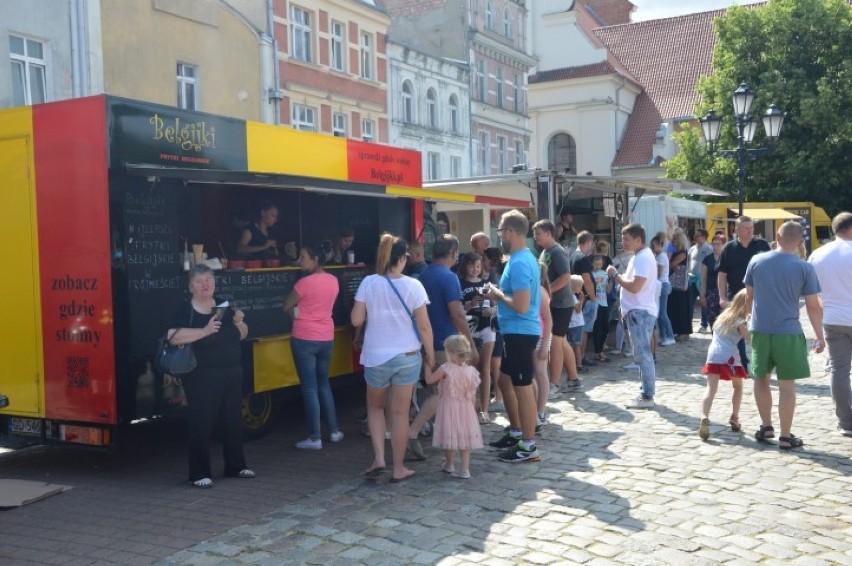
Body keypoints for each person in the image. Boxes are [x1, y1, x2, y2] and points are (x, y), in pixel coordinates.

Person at [351, 234, 435, 482]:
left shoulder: (368, 282)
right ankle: (398, 468)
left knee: (375, 408)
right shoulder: (414, 285)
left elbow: (356, 320)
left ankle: (379, 458)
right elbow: (425, 327)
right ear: (402, 259)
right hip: (407, 356)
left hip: (376, 356)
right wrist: (430, 355)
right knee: (400, 414)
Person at [167, 265, 253, 488]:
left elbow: (243, 334)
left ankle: (236, 465)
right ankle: (199, 473)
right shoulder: (185, 309)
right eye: (199, 281)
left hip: (232, 371)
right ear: (191, 287)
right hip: (201, 375)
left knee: (233, 420)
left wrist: (239, 323)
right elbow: (173, 338)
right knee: (202, 423)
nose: (205, 284)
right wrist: (204, 331)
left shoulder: (224, 306)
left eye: (209, 280)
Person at [745, 221, 824, 450]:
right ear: (801, 242)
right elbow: (812, 306)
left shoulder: (756, 261)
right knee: (787, 386)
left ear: (777, 237)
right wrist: (819, 336)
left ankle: (766, 425)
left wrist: (750, 319)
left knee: (761, 379)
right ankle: (786, 435)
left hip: (761, 329)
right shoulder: (804, 268)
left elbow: (748, 296)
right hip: (788, 333)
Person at [408, 235, 478, 460]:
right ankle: (414, 431)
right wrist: (470, 343)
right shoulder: (448, 277)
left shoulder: (423, 275)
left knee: (431, 390)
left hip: (422, 339)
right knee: (445, 393)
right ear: (453, 254)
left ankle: (437, 434)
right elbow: (456, 313)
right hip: (444, 343)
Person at [485, 209, 542, 462]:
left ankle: (528, 445)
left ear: (510, 232)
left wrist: (496, 294)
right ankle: (517, 431)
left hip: (519, 331)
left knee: (522, 387)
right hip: (514, 331)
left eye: (500, 231)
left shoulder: (519, 262)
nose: (499, 236)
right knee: (506, 382)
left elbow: (520, 305)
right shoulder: (521, 257)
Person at [284, 244, 343, 450]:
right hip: (327, 336)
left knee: (309, 387)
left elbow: (287, 306)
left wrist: (295, 317)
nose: (300, 260)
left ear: (315, 258)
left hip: (304, 337)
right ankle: (334, 431)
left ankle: (315, 437)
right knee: (324, 383)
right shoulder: (334, 281)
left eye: (303, 256)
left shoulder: (304, 283)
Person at [606, 223, 660, 409]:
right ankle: (645, 392)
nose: (623, 242)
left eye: (627, 239)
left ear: (639, 239)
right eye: (622, 238)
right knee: (641, 354)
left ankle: (647, 395)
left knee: (643, 354)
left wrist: (615, 275)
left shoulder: (643, 258)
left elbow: (635, 287)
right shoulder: (640, 257)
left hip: (640, 312)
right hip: (637, 312)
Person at [809, 212, 852, 436]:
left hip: (833, 318)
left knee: (839, 370)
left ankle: (846, 422)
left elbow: (811, 294)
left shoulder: (817, 254)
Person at [425, 335, 483, 479]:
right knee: (465, 439)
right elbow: (473, 394)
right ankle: (464, 469)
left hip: (449, 408)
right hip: (466, 409)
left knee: (449, 436)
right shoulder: (472, 371)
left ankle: (449, 464)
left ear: (450, 353)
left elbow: (429, 380)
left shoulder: (446, 369)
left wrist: (427, 366)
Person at [718, 215, 771, 371]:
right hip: (736, 298)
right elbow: (722, 275)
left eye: (752, 228)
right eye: (747, 228)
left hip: (760, 296)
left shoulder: (762, 246)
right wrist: (722, 297)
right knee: (737, 331)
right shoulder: (729, 248)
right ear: (737, 230)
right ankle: (742, 363)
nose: (750, 231)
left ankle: (761, 361)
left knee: (759, 330)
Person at [532, 219, 579, 396]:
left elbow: (566, 277)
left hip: (561, 303)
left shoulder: (557, 252)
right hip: (555, 302)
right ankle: (574, 378)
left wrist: (547, 292)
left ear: (549, 234)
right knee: (561, 341)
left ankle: (554, 383)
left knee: (556, 344)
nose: (535, 237)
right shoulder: (545, 251)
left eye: (538, 233)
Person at [698, 289, 750, 441]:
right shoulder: (741, 321)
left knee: (710, 388)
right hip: (730, 356)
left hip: (713, 354)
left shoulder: (722, 316)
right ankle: (734, 416)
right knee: (738, 386)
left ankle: (704, 416)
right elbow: (749, 338)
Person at [457, 252, 496, 424]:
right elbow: (458, 310)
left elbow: (496, 305)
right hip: (469, 328)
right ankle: (469, 407)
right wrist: (471, 304)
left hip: (487, 327)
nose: (475, 269)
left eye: (478, 266)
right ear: (465, 266)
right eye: (472, 265)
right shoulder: (459, 283)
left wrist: (492, 310)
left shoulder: (487, 284)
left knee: (485, 368)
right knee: (469, 368)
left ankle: (484, 409)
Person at [569, 231, 598, 368]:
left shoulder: (572, 256)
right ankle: (581, 357)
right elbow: (587, 279)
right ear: (587, 242)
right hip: (584, 298)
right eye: (591, 243)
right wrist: (593, 298)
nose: (592, 246)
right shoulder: (583, 258)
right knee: (584, 330)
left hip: (575, 297)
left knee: (577, 331)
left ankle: (577, 358)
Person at [534, 262, 553, 426]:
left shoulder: (540, 291)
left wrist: (545, 344)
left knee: (540, 374)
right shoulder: (536, 290)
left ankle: (540, 412)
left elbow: (548, 320)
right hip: (535, 335)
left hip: (541, 336)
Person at [698, 233, 726, 331]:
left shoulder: (727, 258)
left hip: (725, 292)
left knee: (724, 319)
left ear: (723, 245)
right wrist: (702, 295)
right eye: (713, 244)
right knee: (712, 318)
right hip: (711, 292)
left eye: (718, 244)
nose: (715, 246)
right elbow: (703, 278)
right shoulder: (707, 259)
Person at [651, 233, 675, 347]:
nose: (653, 248)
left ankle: (670, 336)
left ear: (660, 245)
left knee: (663, 313)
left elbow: (658, 273)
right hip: (661, 285)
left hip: (663, 284)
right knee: (660, 313)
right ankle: (663, 336)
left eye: (655, 246)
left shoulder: (661, 256)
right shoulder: (658, 256)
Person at [668, 230, 692, 341]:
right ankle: (678, 330)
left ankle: (684, 331)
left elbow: (671, 264)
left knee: (682, 309)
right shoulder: (677, 251)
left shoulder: (682, 253)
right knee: (675, 308)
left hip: (680, 286)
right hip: (675, 286)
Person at [688, 229, 714, 333]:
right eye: (695, 235)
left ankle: (704, 324)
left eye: (698, 235)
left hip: (703, 278)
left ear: (704, 237)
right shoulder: (692, 249)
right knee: (690, 301)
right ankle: (688, 324)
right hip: (692, 278)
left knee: (703, 301)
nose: (695, 237)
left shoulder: (708, 249)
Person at [591, 255, 612, 362]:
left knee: (606, 327)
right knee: (597, 328)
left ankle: (601, 350)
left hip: (604, 303)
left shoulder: (604, 274)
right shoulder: (590, 274)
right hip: (595, 303)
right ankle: (597, 351)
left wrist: (611, 280)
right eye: (595, 264)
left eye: (599, 264)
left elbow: (607, 290)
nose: (597, 266)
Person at [567, 275, 586, 374]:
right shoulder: (572, 297)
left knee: (571, 344)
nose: (581, 288)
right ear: (573, 286)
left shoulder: (571, 296)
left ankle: (573, 364)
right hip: (576, 324)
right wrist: (582, 299)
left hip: (571, 324)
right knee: (577, 345)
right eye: (580, 286)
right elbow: (578, 310)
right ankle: (578, 364)